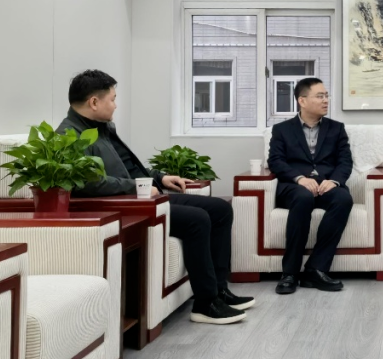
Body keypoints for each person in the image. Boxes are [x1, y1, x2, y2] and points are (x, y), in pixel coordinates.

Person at [58, 70, 252, 325]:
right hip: (128, 206)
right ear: (94, 102)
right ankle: (205, 304)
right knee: (197, 219)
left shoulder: (101, 129)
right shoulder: (69, 136)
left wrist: (160, 178)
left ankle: (218, 290)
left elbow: (126, 168)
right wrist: (134, 188)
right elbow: (87, 184)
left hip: (144, 197)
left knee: (220, 210)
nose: (116, 106)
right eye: (113, 99)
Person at [267, 77, 354, 295]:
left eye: (326, 96)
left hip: (325, 184)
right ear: (302, 101)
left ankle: (316, 269)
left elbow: (345, 161)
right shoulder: (282, 130)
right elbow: (276, 161)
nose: (326, 100)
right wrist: (299, 178)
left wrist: (334, 181)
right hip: (295, 187)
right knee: (303, 197)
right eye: (320, 96)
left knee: (343, 198)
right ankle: (289, 273)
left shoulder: (336, 129)